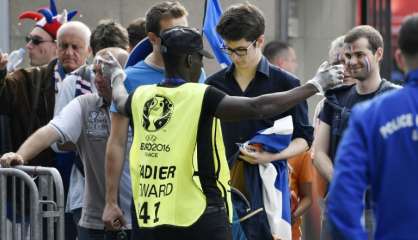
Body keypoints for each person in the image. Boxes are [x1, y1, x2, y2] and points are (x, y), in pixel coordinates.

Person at [100, 26, 342, 240]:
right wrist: (314, 85)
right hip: (199, 216)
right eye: (199, 59)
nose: (202, 65)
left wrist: (117, 76)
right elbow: (258, 106)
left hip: (150, 216)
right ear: (188, 61)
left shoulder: (141, 96)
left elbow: (119, 98)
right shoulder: (200, 96)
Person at [0, 48, 132, 240]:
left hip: (140, 218)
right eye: (94, 71)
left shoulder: (138, 104)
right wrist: (20, 155)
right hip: (96, 220)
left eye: (104, 72)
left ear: (121, 74)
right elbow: (50, 131)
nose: (98, 78)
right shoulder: (85, 104)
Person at [205, 3, 312, 239]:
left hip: (269, 185)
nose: (233, 56)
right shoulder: (212, 86)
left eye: (241, 49)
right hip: (222, 186)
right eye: (228, 49)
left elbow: (304, 138)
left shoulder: (287, 84)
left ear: (260, 41)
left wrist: (272, 156)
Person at [326, 13, 418, 239]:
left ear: (398, 58)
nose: (351, 61)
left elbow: (342, 200)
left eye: (359, 54)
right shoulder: (348, 106)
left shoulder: (370, 115)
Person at [261, 39, 313, 240]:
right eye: (293, 60)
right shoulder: (254, 148)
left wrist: (289, 216)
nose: (296, 65)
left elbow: (308, 195)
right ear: (282, 63)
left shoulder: (300, 150)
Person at [17, 0, 77, 67]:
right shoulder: (28, 76)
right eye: (28, 39)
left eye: (36, 41)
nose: (28, 46)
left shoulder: (77, 76)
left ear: (58, 47)